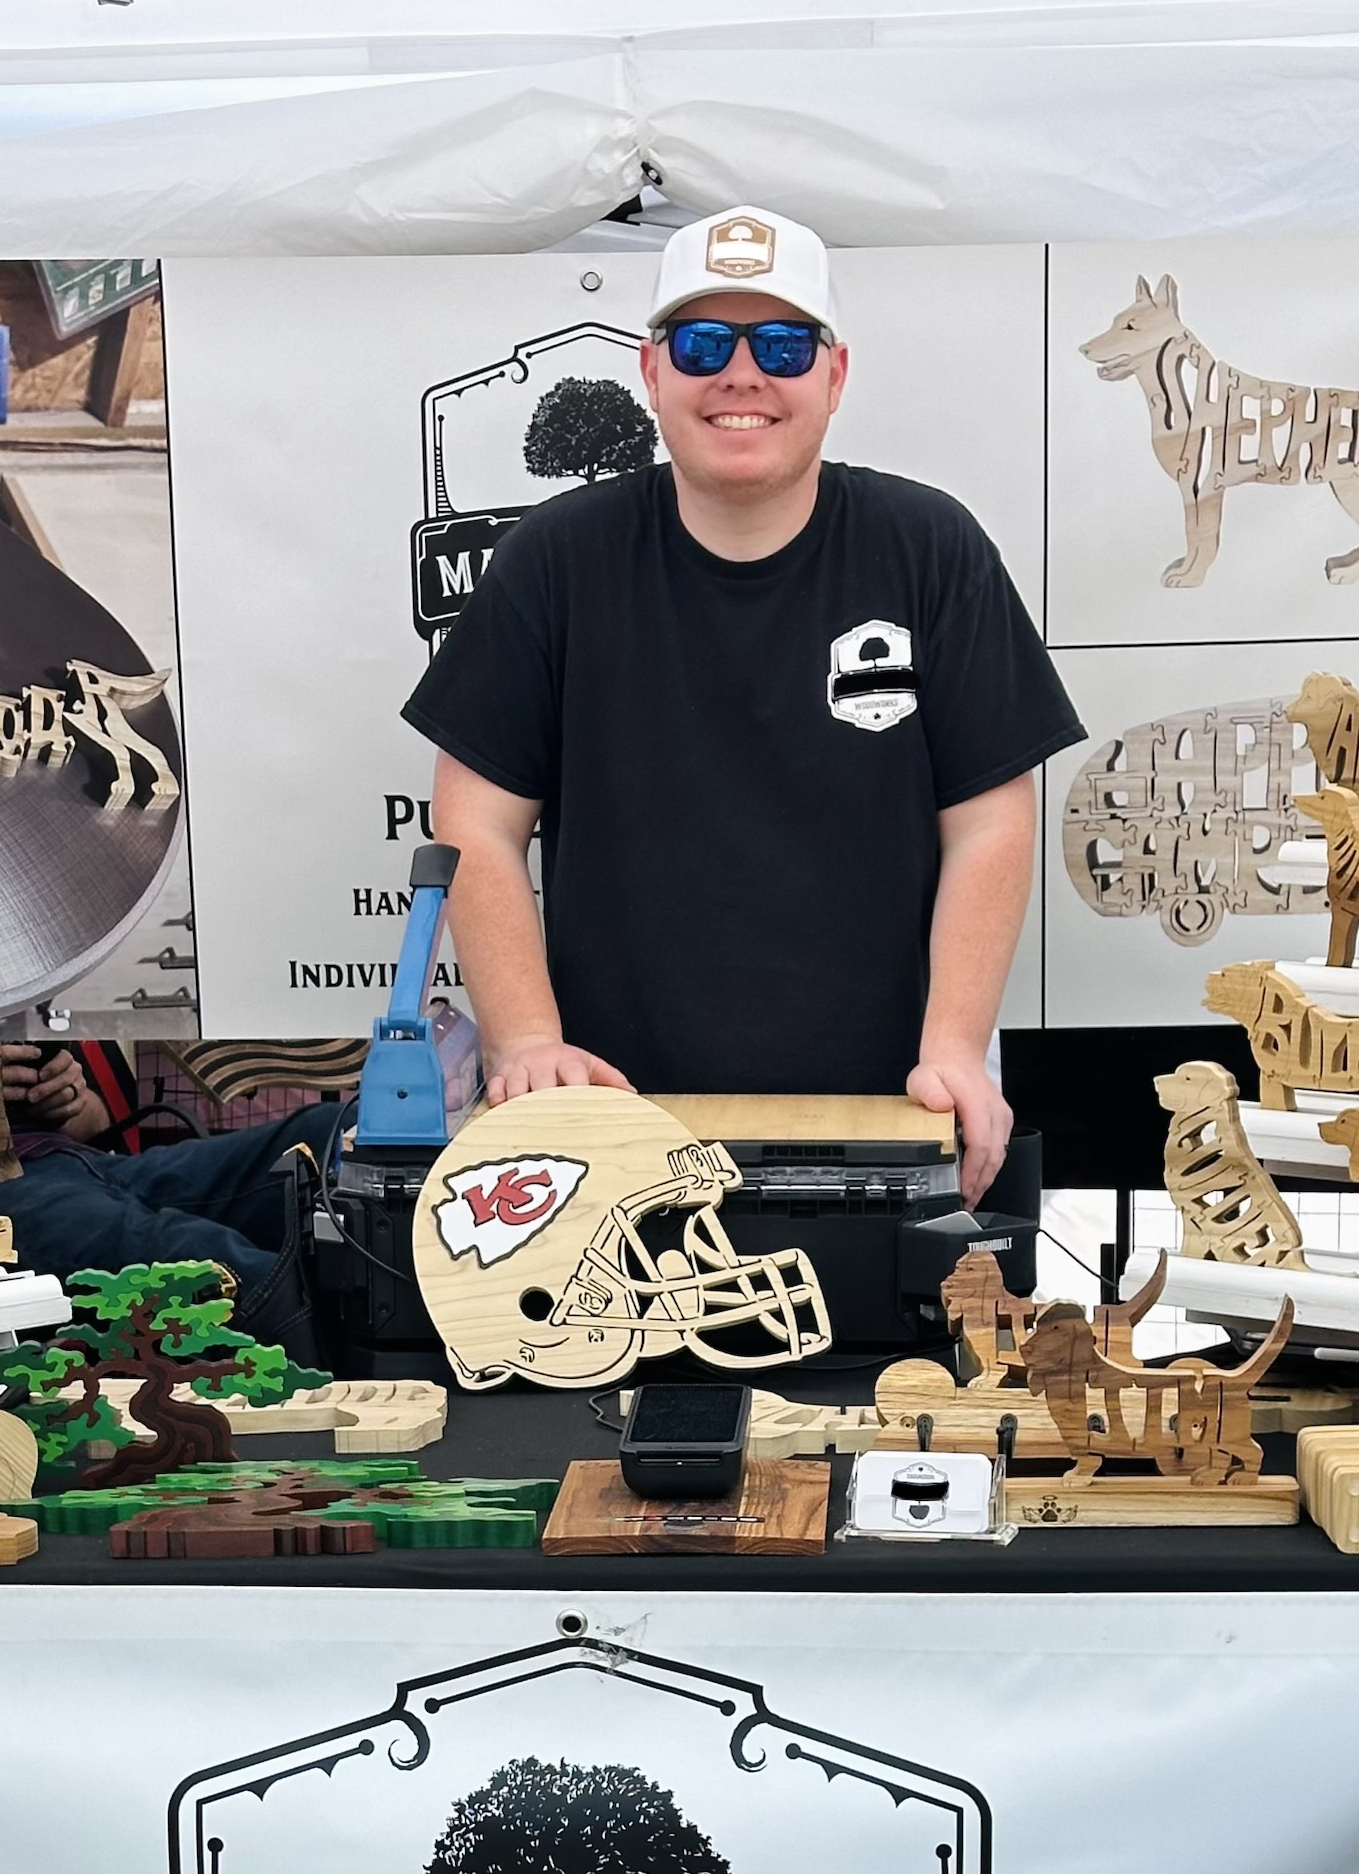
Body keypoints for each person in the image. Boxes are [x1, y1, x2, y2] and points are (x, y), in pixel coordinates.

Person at [403, 206, 1084, 1207]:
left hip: (888, 1128)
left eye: (782, 342)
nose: (742, 373)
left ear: (835, 375)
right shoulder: (557, 560)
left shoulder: (929, 549)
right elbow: (477, 823)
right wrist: (528, 1042)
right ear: (653, 372)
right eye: (704, 342)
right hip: (618, 1129)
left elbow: (990, 819)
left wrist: (953, 1046)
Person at [0, 1042, 344, 1333]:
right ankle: (347, 1372)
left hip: (81, 1161)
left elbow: (94, 1123)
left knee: (331, 1133)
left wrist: (68, 1097)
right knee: (211, 1260)